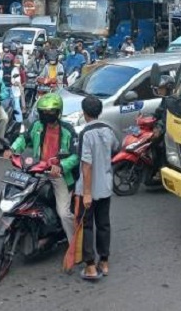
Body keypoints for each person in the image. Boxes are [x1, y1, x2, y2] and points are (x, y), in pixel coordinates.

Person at [5, 93, 78, 242]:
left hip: (58, 175)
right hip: (37, 170)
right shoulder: (37, 126)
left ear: (58, 112)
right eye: (43, 112)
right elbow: (24, 139)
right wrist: (12, 149)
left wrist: (61, 166)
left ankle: (75, 247)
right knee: (20, 199)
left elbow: (76, 156)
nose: (47, 115)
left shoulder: (67, 130)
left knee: (64, 213)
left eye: (50, 112)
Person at [75, 96, 116, 280]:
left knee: (87, 225)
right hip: (105, 187)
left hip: (89, 189)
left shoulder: (85, 133)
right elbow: (116, 147)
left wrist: (87, 193)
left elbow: (86, 165)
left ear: (84, 113)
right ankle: (104, 263)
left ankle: (90, 266)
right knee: (104, 224)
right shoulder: (108, 130)